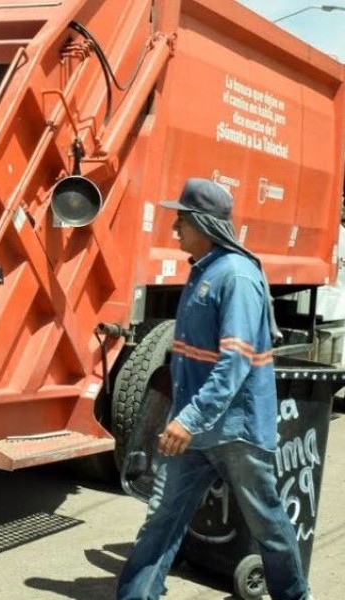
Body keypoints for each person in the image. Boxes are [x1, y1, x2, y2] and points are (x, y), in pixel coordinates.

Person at [116, 179, 313, 600]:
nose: (175, 229)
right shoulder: (205, 270)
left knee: (268, 526)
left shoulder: (236, 277)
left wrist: (188, 418)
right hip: (195, 429)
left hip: (235, 430)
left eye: (182, 221)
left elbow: (235, 363)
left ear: (204, 224)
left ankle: (296, 596)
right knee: (162, 518)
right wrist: (182, 416)